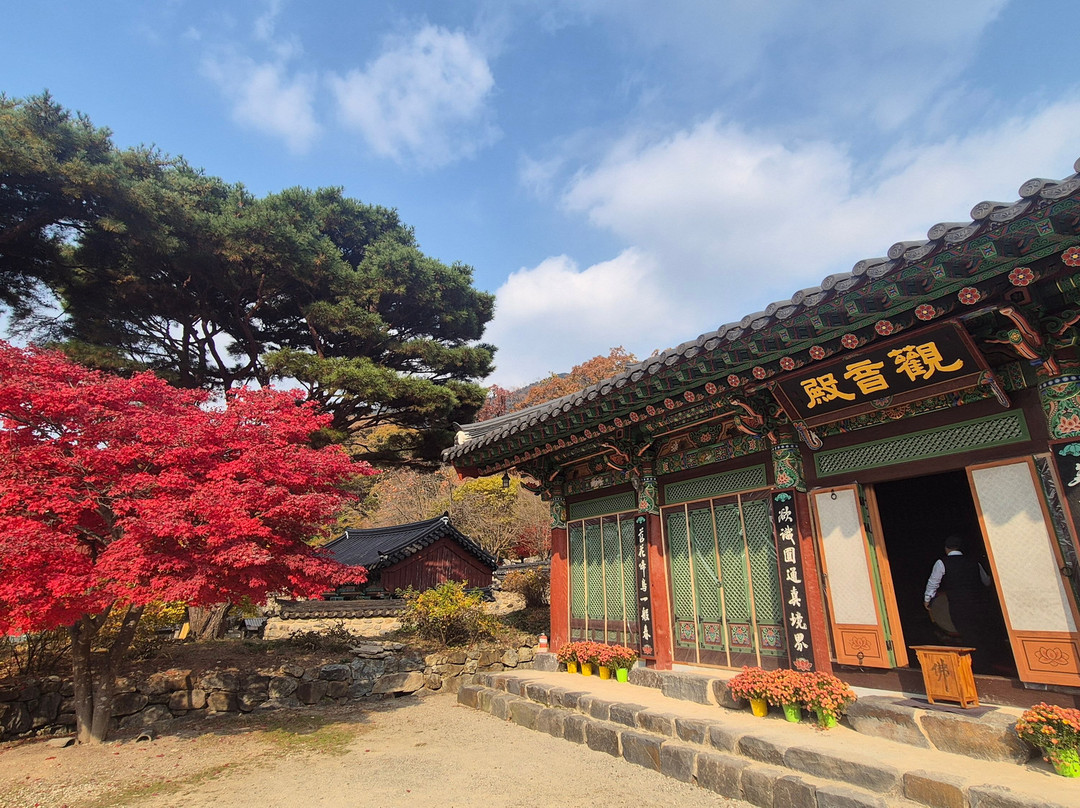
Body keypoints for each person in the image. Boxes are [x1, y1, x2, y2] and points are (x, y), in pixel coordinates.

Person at [923, 536, 992, 661]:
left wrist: (927, 599)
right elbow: (986, 581)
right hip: (978, 603)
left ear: (946, 549)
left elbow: (933, 583)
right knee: (979, 632)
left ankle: (972, 661)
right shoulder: (974, 562)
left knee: (965, 632)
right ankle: (984, 660)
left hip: (958, 604)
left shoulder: (942, 563)